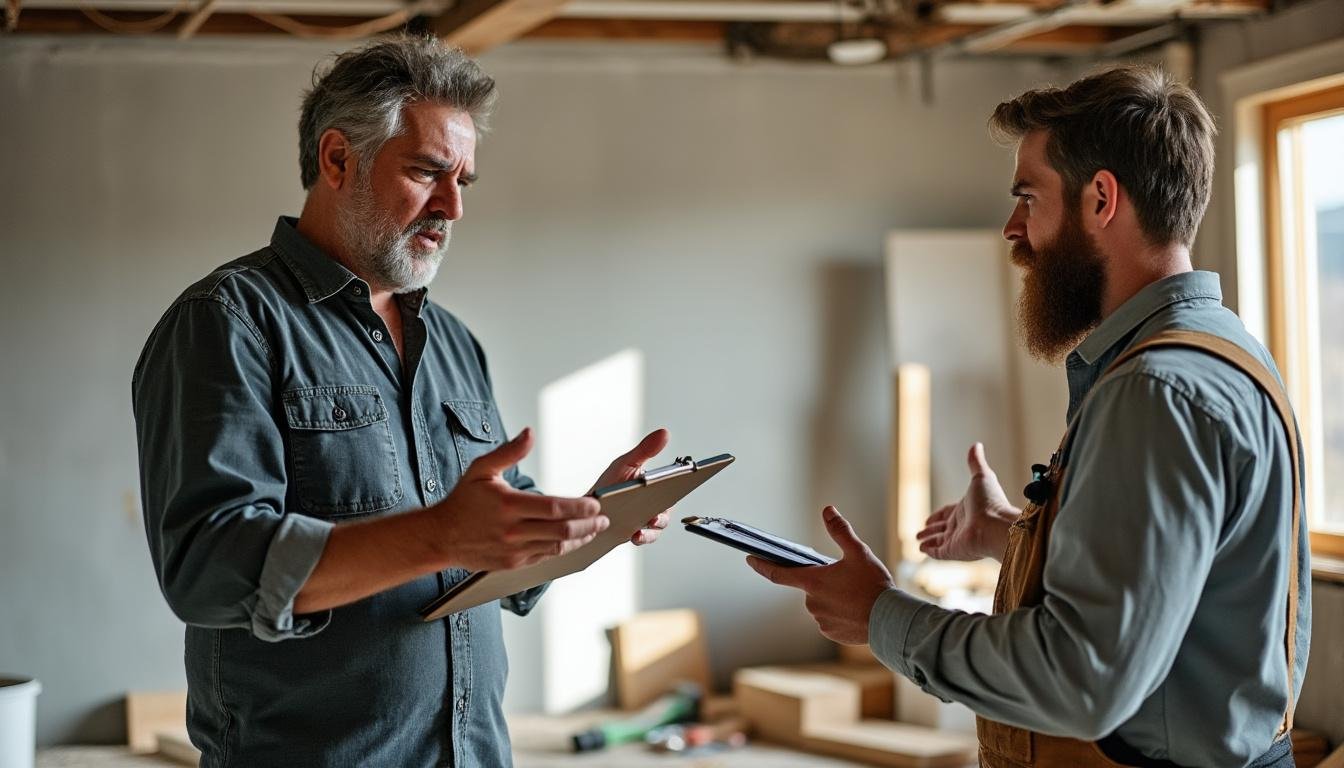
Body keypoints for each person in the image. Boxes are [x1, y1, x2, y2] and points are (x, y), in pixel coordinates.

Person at [746, 65, 1310, 768]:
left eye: (1028, 197)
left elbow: (1084, 681)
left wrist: (882, 616)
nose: (1014, 228)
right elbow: (1173, 576)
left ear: (1101, 198)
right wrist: (1016, 536)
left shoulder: (1155, 391)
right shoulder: (1224, 350)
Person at [132, 36, 672, 768]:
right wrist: (442, 535)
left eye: (464, 182)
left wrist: (589, 518)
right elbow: (208, 569)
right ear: (335, 160)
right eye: (426, 172)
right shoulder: (229, 322)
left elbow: (490, 554)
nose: (451, 206)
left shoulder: (455, 343)